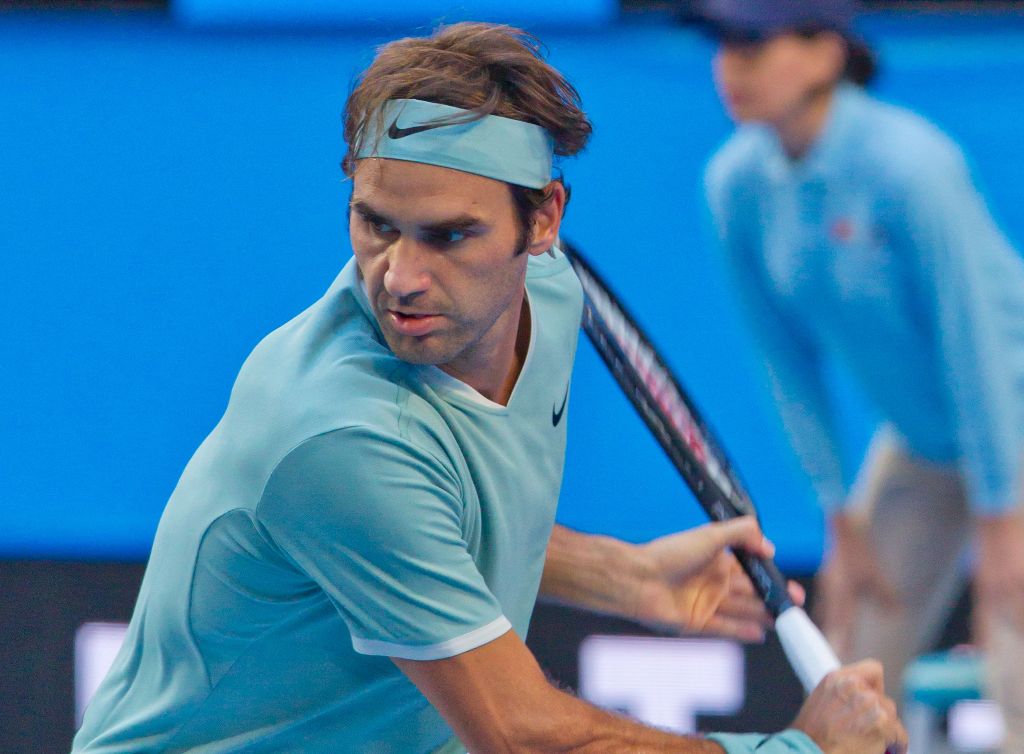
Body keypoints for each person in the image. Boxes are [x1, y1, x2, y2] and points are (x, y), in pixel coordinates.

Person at [72, 22, 906, 754]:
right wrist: (799, 748)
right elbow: (520, 735)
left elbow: (434, 520)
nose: (399, 276)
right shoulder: (339, 435)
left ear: (543, 222)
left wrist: (624, 577)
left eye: (450, 235)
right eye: (375, 224)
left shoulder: (553, 293)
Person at [698, 0, 1024, 750]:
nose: (730, 65)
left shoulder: (912, 165)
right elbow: (784, 362)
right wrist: (839, 516)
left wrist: (1002, 519)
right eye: (721, 43)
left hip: (1011, 417)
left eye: (752, 41)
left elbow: (973, 339)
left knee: (1015, 650)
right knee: (852, 654)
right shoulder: (733, 186)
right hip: (924, 442)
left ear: (826, 54)